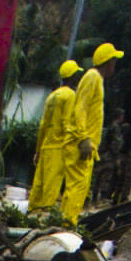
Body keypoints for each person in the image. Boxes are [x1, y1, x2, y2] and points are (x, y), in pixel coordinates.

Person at [61, 42, 124, 222]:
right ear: (108, 62)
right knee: (77, 188)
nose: (115, 66)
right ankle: (67, 224)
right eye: (114, 61)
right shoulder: (93, 77)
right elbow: (80, 108)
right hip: (81, 143)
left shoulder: (96, 79)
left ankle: (64, 222)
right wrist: (83, 138)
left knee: (77, 187)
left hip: (85, 143)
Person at [28, 60, 80, 215]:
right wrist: (73, 145)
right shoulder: (70, 95)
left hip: (46, 146)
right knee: (51, 187)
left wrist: (37, 150)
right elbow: (66, 123)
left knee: (39, 185)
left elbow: (43, 124)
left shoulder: (53, 95)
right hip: (59, 147)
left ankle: (31, 213)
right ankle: (44, 217)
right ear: (72, 77)